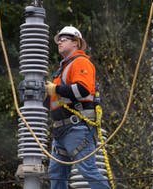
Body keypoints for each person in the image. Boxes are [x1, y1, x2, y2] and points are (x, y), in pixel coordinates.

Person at [45, 26, 110, 189]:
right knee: (56, 175)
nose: (59, 41)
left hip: (77, 127)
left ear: (76, 42)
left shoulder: (81, 62)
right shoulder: (61, 72)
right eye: (58, 39)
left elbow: (82, 90)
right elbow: (53, 104)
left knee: (88, 171)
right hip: (61, 131)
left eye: (64, 39)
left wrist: (56, 89)